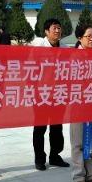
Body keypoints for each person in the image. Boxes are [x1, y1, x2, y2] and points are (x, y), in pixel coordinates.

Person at [29, 19, 70, 170]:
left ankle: (55, 156)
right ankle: (39, 158)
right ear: (46, 31)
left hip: (59, 94)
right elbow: (29, 70)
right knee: (40, 128)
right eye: (54, 28)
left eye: (59, 28)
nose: (57, 31)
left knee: (57, 128)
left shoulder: (65, 48)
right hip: (42, 94)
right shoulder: (38, 47)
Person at [69, 23, 92, 182]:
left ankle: (91, 174)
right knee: (78, 142)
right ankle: (78, 175)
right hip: (78, 104)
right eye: (88, 36)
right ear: (79, 38)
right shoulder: (73, 56)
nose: (91, 39)